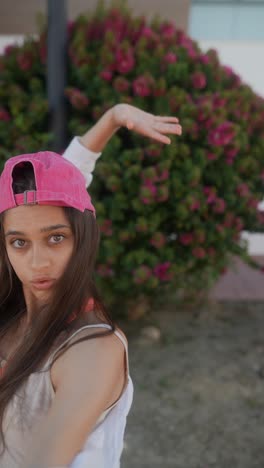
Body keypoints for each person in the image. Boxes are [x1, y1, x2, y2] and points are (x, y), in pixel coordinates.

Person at [0, 103, 182, 468]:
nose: (37, 262)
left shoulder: (93, 347)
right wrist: (113, 117)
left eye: (56, 239)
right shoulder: (11, 313)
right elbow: (66, 181)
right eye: (19, 242)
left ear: (83, 238)